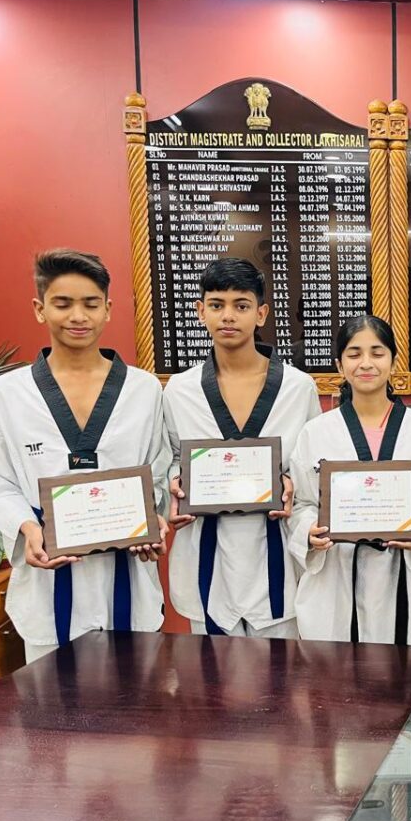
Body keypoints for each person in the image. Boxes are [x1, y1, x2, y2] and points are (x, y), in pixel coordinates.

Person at [0, 249, 168, 662]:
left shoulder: (143, 389)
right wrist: (27, 527)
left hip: (127, 577)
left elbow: (159, 470)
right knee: (51, 699)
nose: (78, 316)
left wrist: (155, 519)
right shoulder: (6, 394)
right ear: (39, 309)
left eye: (90, 304)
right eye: (63, 304)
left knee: (134, 696)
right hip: (48, 585)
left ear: (108, 309)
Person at [164, 258, 320, 637]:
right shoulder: (179, 390)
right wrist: (175, 484)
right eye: (216, 305)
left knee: (282, 668)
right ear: (200, 311)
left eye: (242, 305)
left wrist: (292, 483)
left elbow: (314, 466)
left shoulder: (298, 387)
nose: (228, 316)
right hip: (207, 547)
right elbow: (169, 460)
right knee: (213, 670)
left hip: (276, 547)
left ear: (261, 313)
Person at [286, 315, 411, 646]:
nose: (366, 363)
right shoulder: (315, 432)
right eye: (354, 354)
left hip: (403, 575)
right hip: (336, 579)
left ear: (393, 361)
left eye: (377, 353)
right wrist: (308, 531)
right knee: (336, 674)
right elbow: (302, 504)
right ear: (340, 365)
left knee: (405, 671)